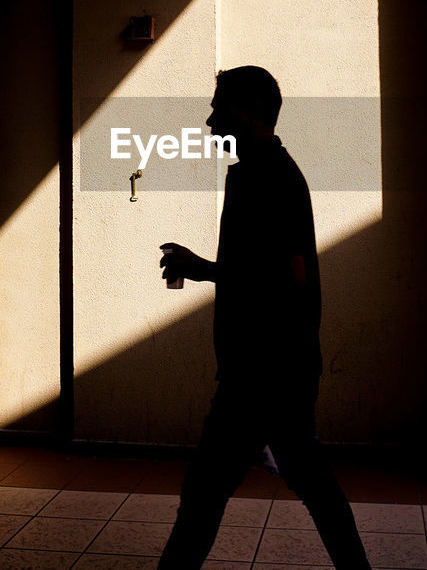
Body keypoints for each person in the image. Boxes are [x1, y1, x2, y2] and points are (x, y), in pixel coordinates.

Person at [157, 66, 370, 570]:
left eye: (219, 108)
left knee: (205, 492)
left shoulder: (270, 178)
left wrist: (203, 269)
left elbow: (288, 278)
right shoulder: (257, 172)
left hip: (264, 374)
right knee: (307, 484)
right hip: (271, 370)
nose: (210, 121)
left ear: (252, 111)